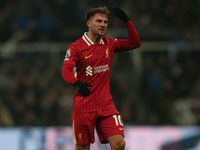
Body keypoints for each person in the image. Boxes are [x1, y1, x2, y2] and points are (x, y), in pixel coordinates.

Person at [62, 6, 141, 150]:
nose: (103, 25)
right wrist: (77, 83)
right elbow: (66, 71)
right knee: (83, 148)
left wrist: (127, 21)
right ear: (89, 23)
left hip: (106, 106)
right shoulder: (76, 47)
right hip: (83, 107)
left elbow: (135, 43)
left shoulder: (109, 44)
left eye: (105, 22)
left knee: (119, 144)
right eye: (98, 21)